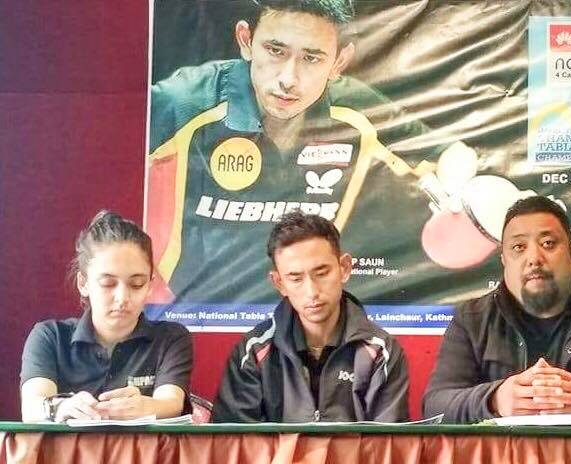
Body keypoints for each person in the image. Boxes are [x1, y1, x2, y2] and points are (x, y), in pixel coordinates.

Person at [147, 0, 477, 307]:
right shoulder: (182, 103)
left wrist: (454, 190)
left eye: (311, 58)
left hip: (306, 312)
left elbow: (452, 153)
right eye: (275, 50)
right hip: (194, 314)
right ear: (246, 41)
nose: (288, 79)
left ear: (339, 62)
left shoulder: (355, 108)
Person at [423, 196, 571, 426]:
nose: (534, 258)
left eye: (548, 243)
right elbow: (435, 406)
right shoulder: (471, 319)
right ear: (504, 261)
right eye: (519, 247)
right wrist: (495, 399)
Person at [211, 211, 410, 422]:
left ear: (344, 268)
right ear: (279, 283)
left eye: (322, 273)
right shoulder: (253, 351)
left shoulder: (381, 352)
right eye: (296, 278)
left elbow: (388, 440)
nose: (312, 291)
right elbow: (237, 439)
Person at [20, 211, 192, 423]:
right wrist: (61, 407)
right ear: (83, 283)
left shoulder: (170, 338)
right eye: (108, 284)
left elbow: (171, 404)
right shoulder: (49, 337)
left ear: (150, 285)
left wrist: (145, 406)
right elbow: (32, 408)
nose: (122, 297)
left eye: (136, 284)